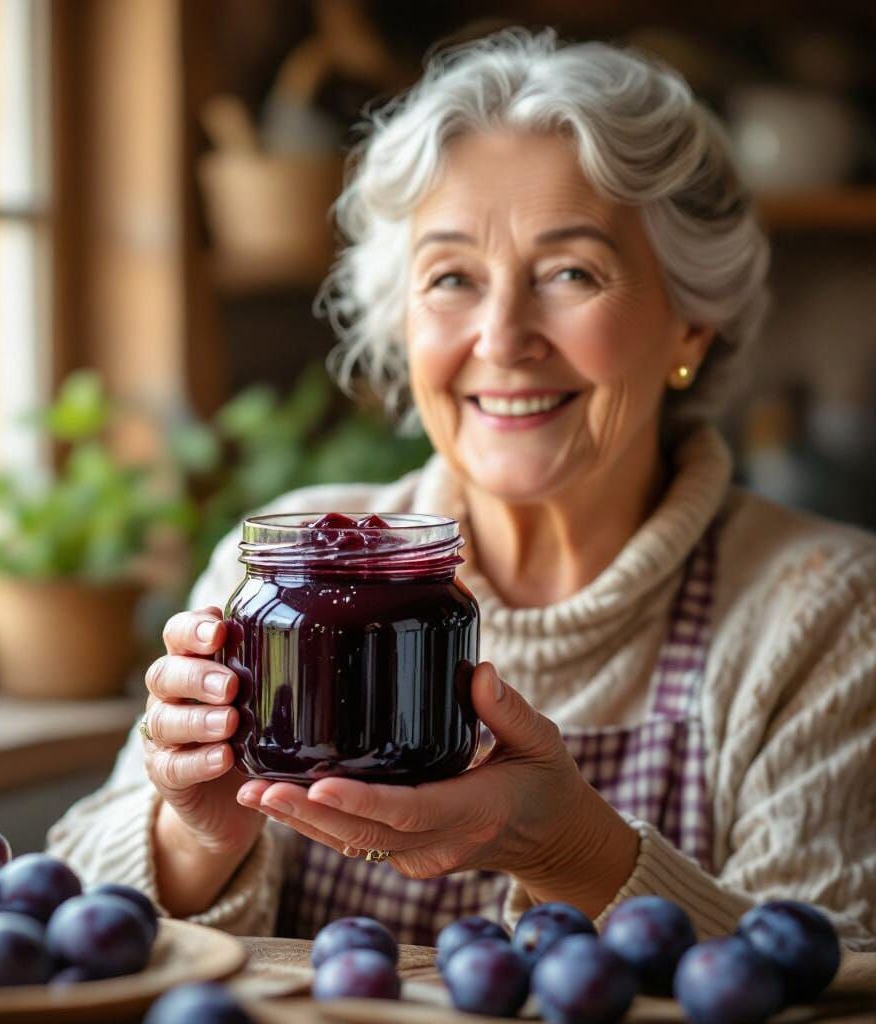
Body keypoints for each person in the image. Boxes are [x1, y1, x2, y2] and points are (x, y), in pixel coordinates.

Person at [47, 28, 876, 949]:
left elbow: (833, 970)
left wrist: (571, 851)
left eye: (571, 272)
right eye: (451, 278)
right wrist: (197, 836)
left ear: (692, 322)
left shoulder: (827, 610)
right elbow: (77, 920)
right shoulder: (288, 563)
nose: (503, 336)